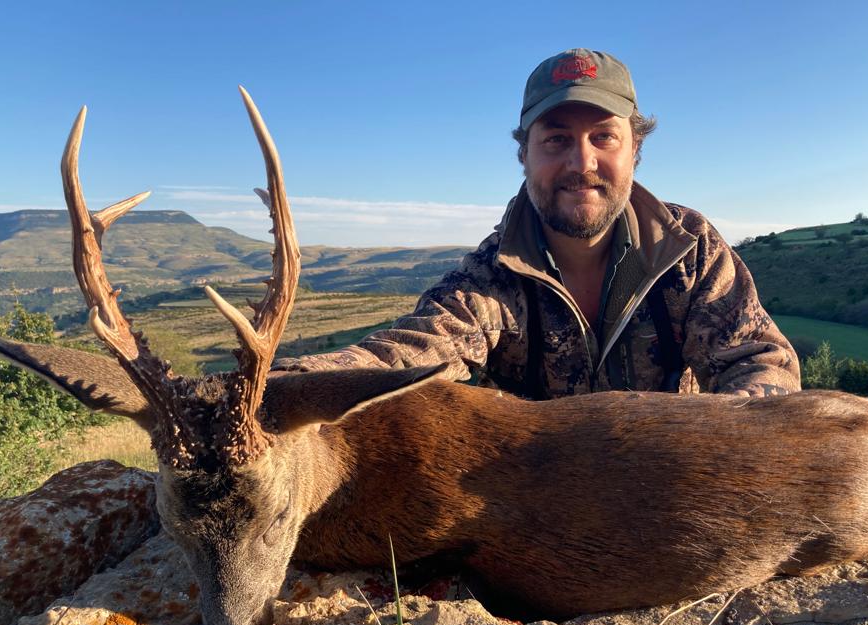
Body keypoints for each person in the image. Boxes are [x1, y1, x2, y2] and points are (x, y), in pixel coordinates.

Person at [274, 49, 800, 398]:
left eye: (603, 137)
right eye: (555, 139)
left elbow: (759, 362)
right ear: (523, 154)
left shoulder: (689, 250)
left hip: (670, 488)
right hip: (536, 508)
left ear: (635, 150)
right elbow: (410, 352)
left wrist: (727, 433)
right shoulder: (489, 276)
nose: (581, 162)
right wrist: (287, 383)